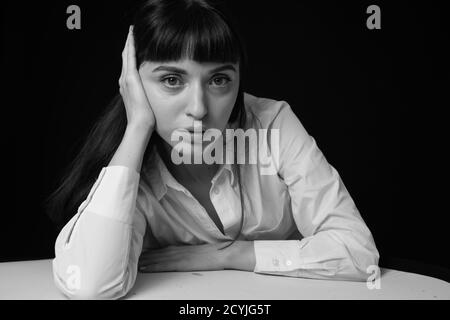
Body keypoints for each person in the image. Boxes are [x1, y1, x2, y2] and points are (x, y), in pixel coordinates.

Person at [46, 0, 379, 300]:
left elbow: (359, 254)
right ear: (132, 82)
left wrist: (228, 254)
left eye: (219, 80)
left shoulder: (272, 124)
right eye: (172, 80)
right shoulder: (133, 168)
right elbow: (89, 285)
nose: (199, 108)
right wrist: (137, 128)